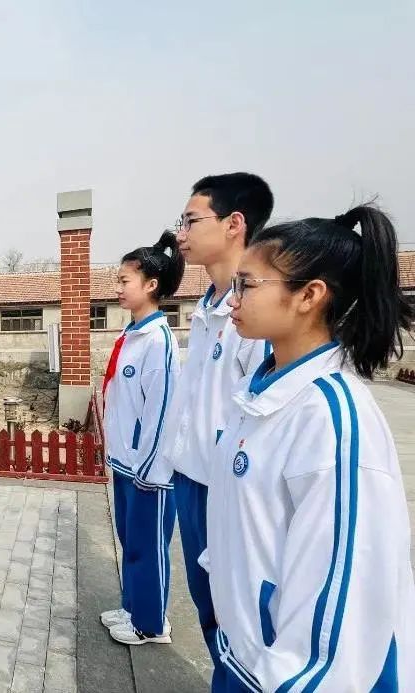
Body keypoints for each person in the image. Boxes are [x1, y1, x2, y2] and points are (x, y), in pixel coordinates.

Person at [207, 205, 415, 692]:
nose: (233, 298)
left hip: (289, 675)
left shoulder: (331, 418)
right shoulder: (260, 393)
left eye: (247, 285)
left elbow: (343, 604)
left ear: (309, 296)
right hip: (246, 654)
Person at [135, 173, 274, 663]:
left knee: (239, 621)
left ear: (235, 224)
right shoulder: (208, 307)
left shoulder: (255, 316)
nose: (181, 234)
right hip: (192, 478)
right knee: (210, 611)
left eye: (191, 221)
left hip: (228, 487)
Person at [100, 231, 184, 645]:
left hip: (148, 470)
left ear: (151, 285)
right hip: (125, 461)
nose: (117, 288)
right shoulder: (131, 335)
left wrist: (149, 469)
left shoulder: (158, 342)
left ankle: (151, 624)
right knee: (130, 542)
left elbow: (162, 413)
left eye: (124, 281)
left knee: (149, 547)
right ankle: (132, 606)